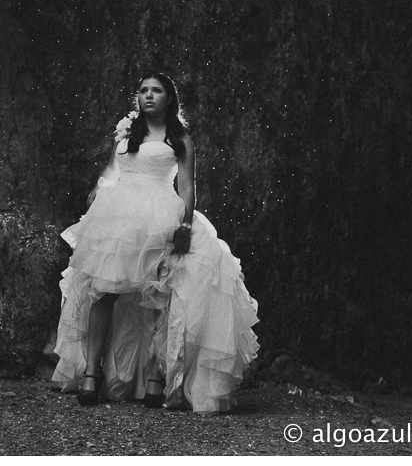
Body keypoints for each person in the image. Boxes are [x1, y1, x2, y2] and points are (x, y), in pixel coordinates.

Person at [51, 73, 259, 415]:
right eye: (144, 90)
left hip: (160, 213)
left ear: (168, 98)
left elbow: (188, 187)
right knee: (102, 290)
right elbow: (111, 171)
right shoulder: (125, 131)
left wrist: (184, 224)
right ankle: (92, 372)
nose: (149, 96)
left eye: (157, 90)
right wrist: (98, 204)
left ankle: (155, 377)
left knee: (158, 294)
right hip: (118, 214)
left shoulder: (180, 139)